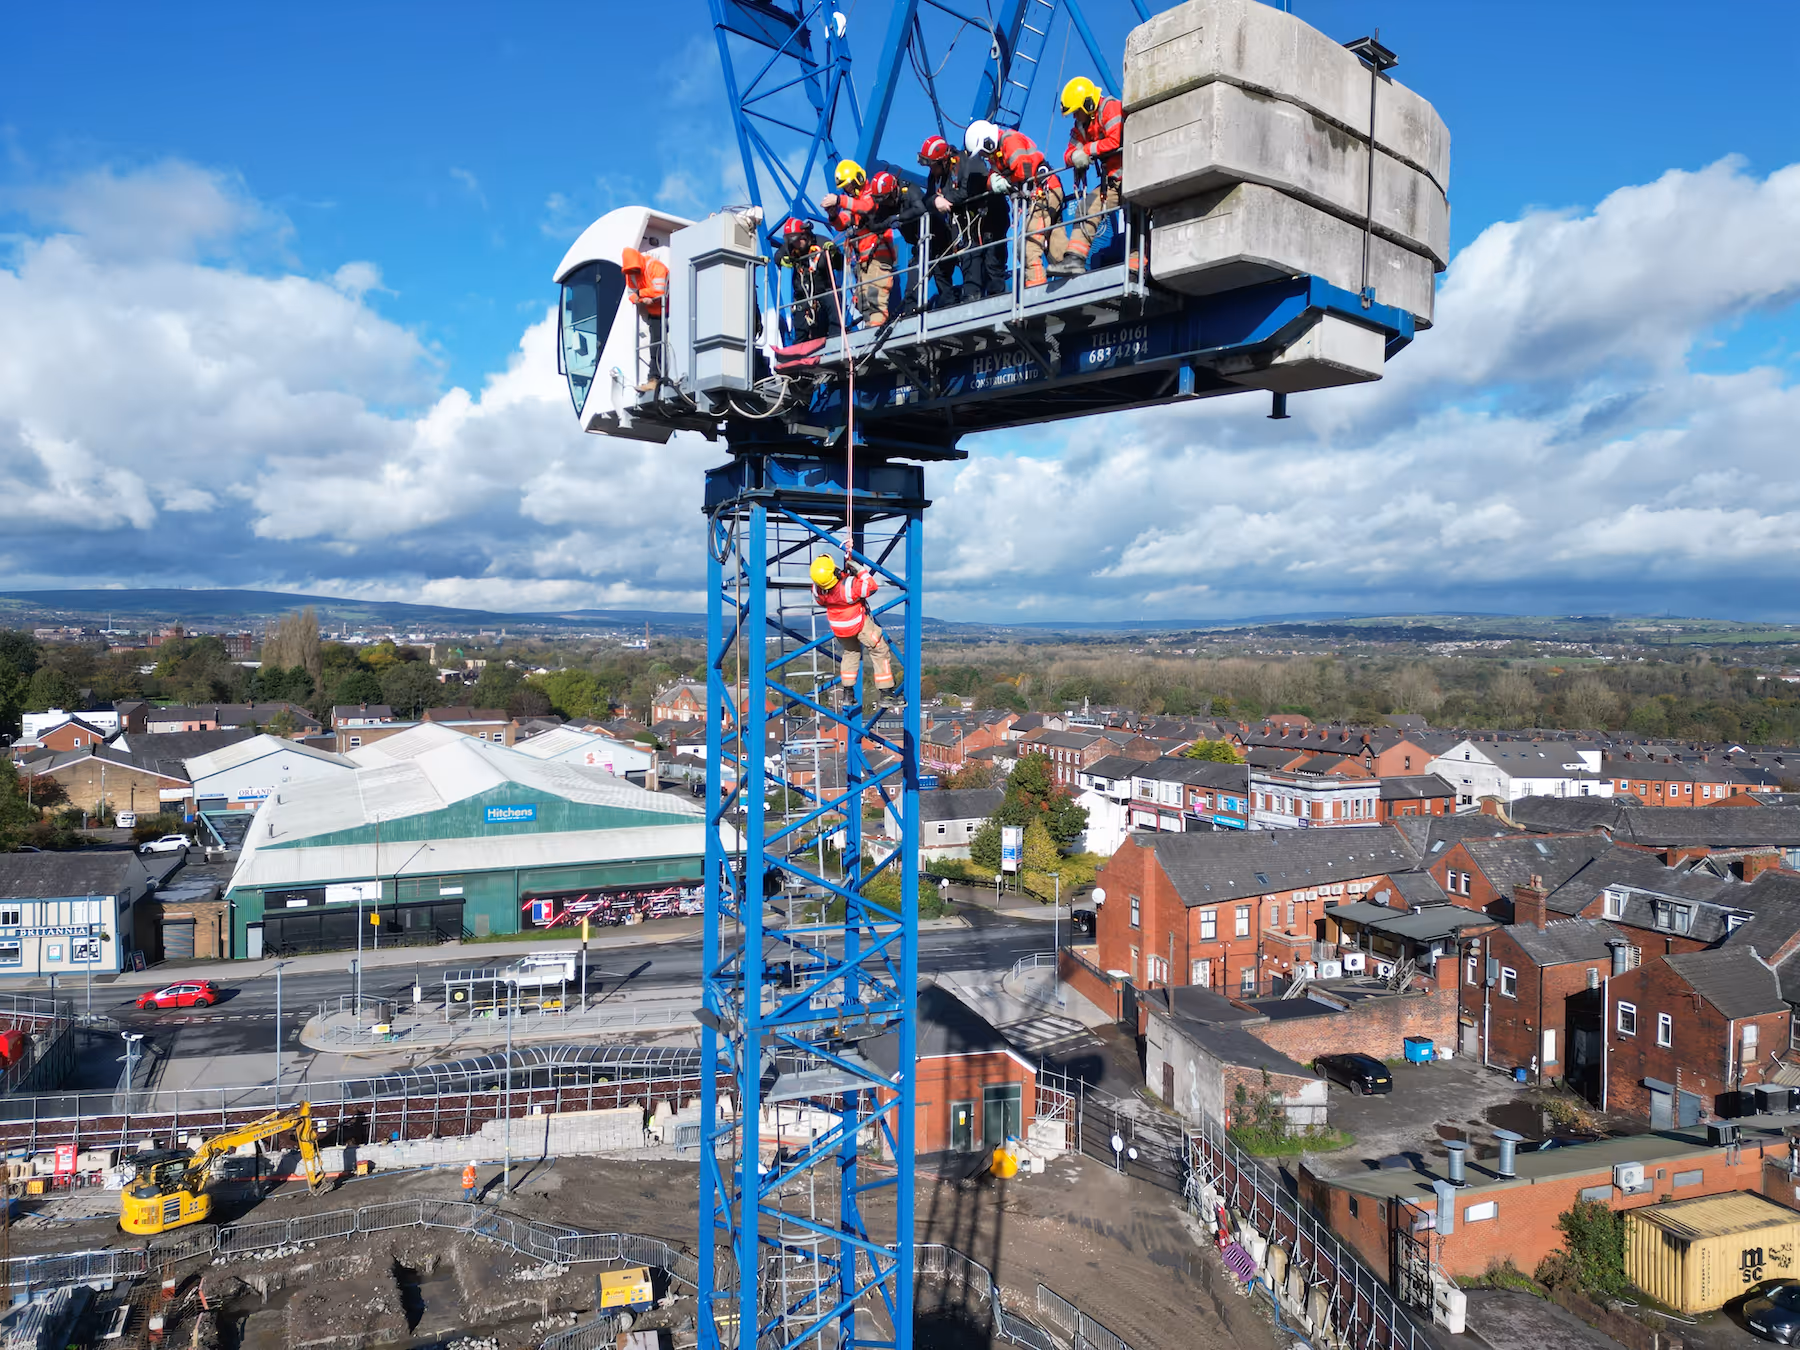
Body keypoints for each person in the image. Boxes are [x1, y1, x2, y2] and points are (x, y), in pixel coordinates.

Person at [967, 120, 1063, 288]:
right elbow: (993, 176)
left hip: (1043, 191)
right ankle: (1068, 285)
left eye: (982, 152)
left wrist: (1004, 180)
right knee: (1055, 241)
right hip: (1045, 192)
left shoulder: (1009, 140)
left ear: (987, 142)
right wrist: (992, 181)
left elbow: (1023, 170)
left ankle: (1035, 291)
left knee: (1028, 245)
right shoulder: (997, 154)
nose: (983, 156)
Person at [1049, 76, 1126, 277]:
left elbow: (1115, 140)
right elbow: (1068, 153)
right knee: (1086, 207)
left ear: (1088, 103)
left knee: (1137, 220)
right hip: (1111, 182)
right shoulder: (1082, 126)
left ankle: (1137, 269)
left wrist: (1088, 149)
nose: (1075, 116)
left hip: (1131, 176)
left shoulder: (1110, 108)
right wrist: (1076, 155)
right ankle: (1074, 259)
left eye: (1077, 111)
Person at [809, 554, 896, 707]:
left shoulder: (817, 589)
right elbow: (871, 586)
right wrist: (860, 571)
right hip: (858, 624)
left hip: (839, 628)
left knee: (850, 653)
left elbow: (828, 595)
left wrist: (844, 575)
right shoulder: (848, 586)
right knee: (879, 650)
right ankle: (886, 693)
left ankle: (848, 692)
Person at [821, 159, 896, 328]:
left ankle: (875, 331)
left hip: (877, 256)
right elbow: (844, 222)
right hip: (863, 261)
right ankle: (871, 329)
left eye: (849, 186)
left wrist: (839, 200)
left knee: (875, 295)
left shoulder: (872, 193)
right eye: (845, 188)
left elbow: (867, 207)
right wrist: (833, 215)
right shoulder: (854, 202)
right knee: (862, 299)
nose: (848, 190)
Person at [916, 135, 968, 308]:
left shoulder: (960, 165)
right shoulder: (933, 177)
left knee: (968, 261)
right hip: (945, 230)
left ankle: (972, 299)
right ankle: (949, 304)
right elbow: (927, 200)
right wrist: (935, 201)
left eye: (932, 165)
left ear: (943, 161)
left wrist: (946, 199)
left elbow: (965, 192)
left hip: (963, 224)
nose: (931, 169)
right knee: (939, 269)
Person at [777, 217, 843, 342]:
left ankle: (836, 344)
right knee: (801, 329)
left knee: (833, 307)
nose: (794, 244)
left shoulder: (822, 242)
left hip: (824, 290)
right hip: (803, 296)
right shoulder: (790, 247)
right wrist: (781, 259)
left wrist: (834, 253)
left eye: (796, 240)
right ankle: (800, 355)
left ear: (805, 235)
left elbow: (839, 264)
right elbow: (779, 254)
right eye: (790, 240)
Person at [620, 246, 670, 391]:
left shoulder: (655, 267)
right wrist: (643, 297)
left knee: (660, 345)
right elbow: (631, 294)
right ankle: (653, 379)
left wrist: (640, 294)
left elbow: (659, 292)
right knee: (654, 347)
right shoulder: (631, 272)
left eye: (635, 270)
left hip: (668, 311)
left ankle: (656, 379)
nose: (634, 273)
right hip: (654, 314)